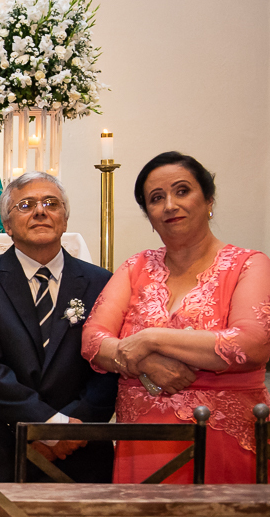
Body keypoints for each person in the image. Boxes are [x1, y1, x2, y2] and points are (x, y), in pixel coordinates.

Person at [83, 152, 270, 484]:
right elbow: (93, 340)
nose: (170, 205)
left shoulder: (249, 265)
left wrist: (150, 339)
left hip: (222, 439)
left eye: (182, 191)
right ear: (150, 216)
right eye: (156, 199)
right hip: (145, 442)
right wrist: (146, 364)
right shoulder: (135, 267)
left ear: (209, 199)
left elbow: (251, 344)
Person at [0, 171, 118, 517]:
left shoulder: (100, 282)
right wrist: (46, 424)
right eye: (26, 205)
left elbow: (108, 368)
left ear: (65, 218)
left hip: (81, 449)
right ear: (7, 225)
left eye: (51, 203)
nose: (40, 212)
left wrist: (71, 427)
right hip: (2, 446)